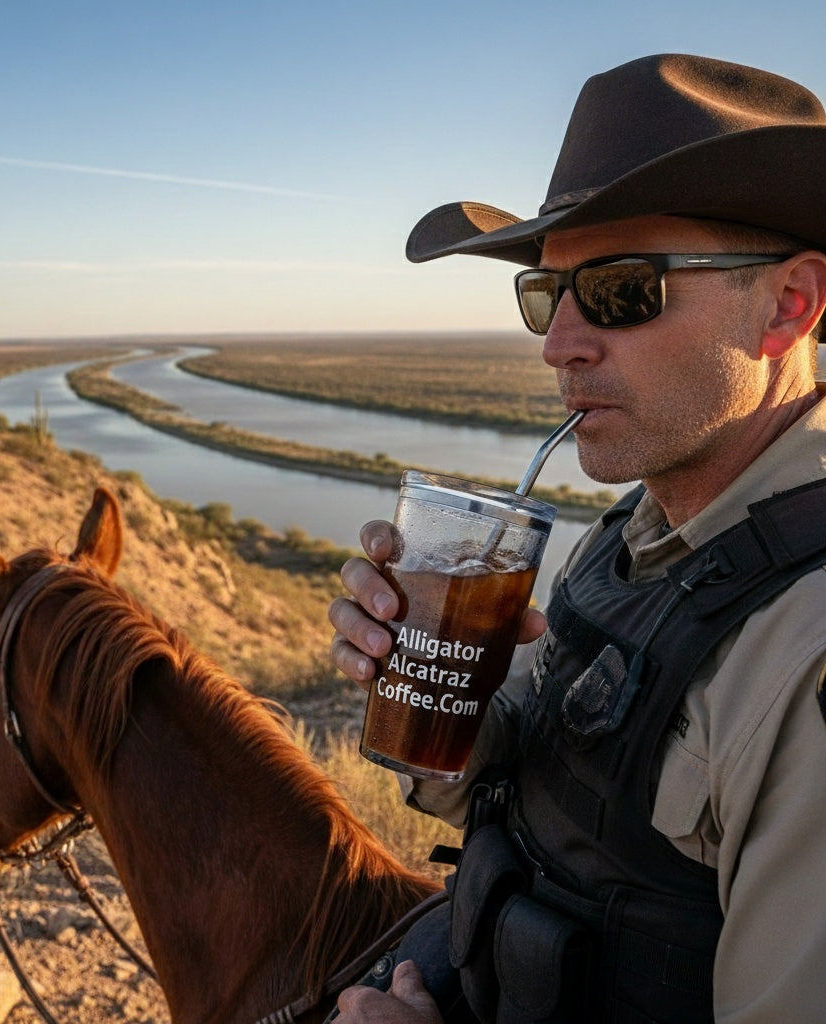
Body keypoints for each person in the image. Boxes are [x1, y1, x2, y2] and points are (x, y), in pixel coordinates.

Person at [328, 53, 826, 1024]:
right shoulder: (638, 532)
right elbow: (557, 797)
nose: (557, 345)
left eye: (621, 289)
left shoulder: (804, 652)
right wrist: (432, 692)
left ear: (789, 306)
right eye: (545, 296)